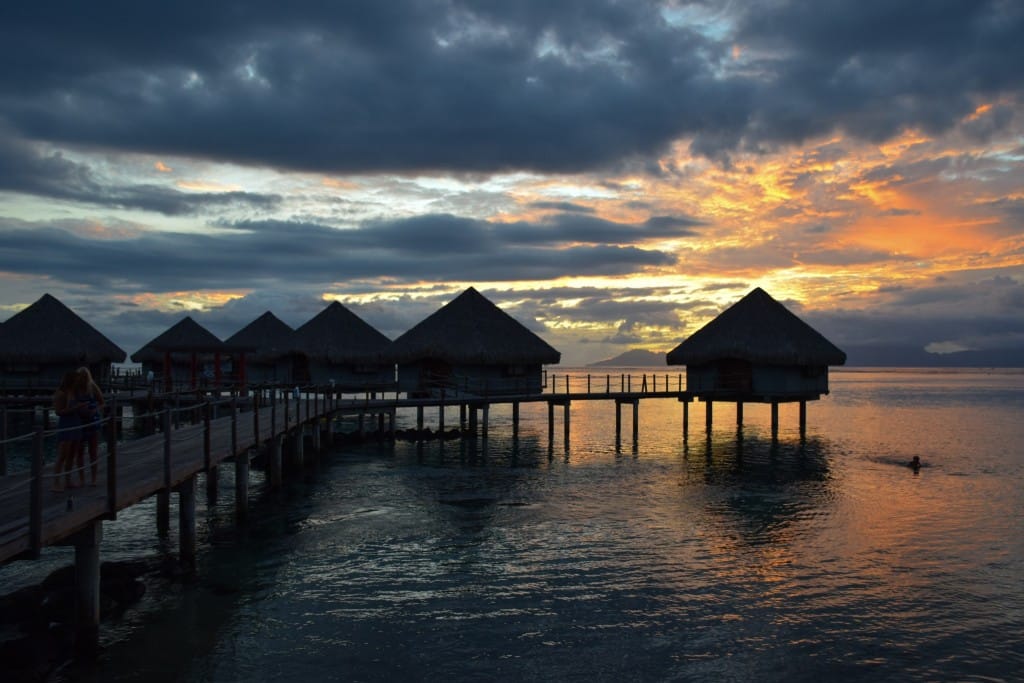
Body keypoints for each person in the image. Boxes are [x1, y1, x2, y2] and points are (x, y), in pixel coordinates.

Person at [51, 371, 82, 492]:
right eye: (77, 380)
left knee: (72, 455)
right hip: (66, 424)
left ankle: (68, 480)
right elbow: (58, 412)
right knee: (62, 455)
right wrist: (74, 408)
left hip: (76, 423)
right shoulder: (61, 393)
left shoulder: (74, 392)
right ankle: (56, 482)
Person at [75, 367, 105, 486]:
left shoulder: (92, 387)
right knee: (80, 452)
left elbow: (102, 402)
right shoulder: (75, 389)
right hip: (79, 422)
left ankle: (94, 478)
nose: (82, 380)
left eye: (84, 377)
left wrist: (95, 410)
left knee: (93, 451)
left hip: (93, 422)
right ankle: (82, 479)